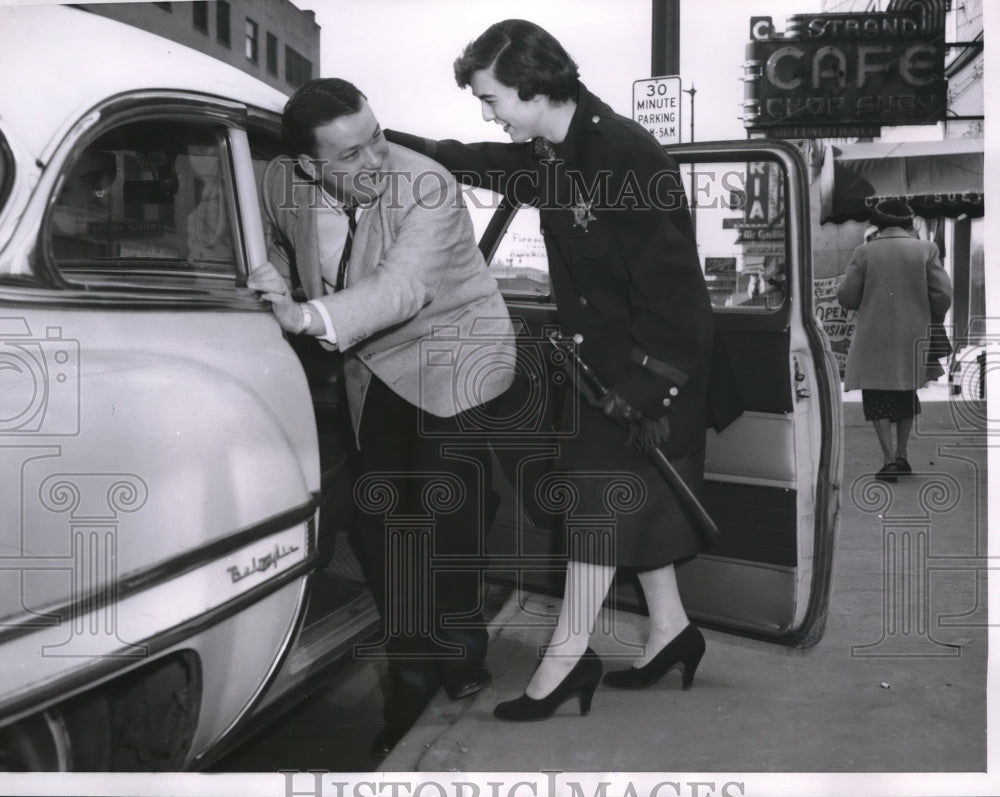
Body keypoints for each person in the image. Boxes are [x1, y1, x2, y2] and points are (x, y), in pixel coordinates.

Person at [387, 19, 716, 721]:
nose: (488, 113)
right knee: (635, 502)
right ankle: (671, 631)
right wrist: (410, 146)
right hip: (607, 370)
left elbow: (679, 295)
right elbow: (488, 163)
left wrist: (643, 391)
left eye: (492, 98)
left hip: (647, 374)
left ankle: (565, 661)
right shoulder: (557, 152)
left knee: (594, 513)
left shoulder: (625, 155)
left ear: (535, 90)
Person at [247, 78, 515, 756]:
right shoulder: (282, 182)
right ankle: (410, 667)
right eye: (350, 155)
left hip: (453, 353)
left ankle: (460, 658)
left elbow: (403, 287)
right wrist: (271, 277)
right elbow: (267, 245)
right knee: (383, 523)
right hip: (374, 364)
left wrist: (305, 316)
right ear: (310, 165)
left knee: (449, 518)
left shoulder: (425, 184)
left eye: (378, 139)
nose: (374, 162)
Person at [837, 198, 953, 482]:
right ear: (909, 223)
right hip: (912, 335)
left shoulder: (864, 252)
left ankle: (887, 459)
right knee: (905, 391)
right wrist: (930, 315)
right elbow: (943, 295)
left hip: (873, 336)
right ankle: (902, 455)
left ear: (878, 223)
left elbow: (847, 298)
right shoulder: (927, 249)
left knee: (876, 395)